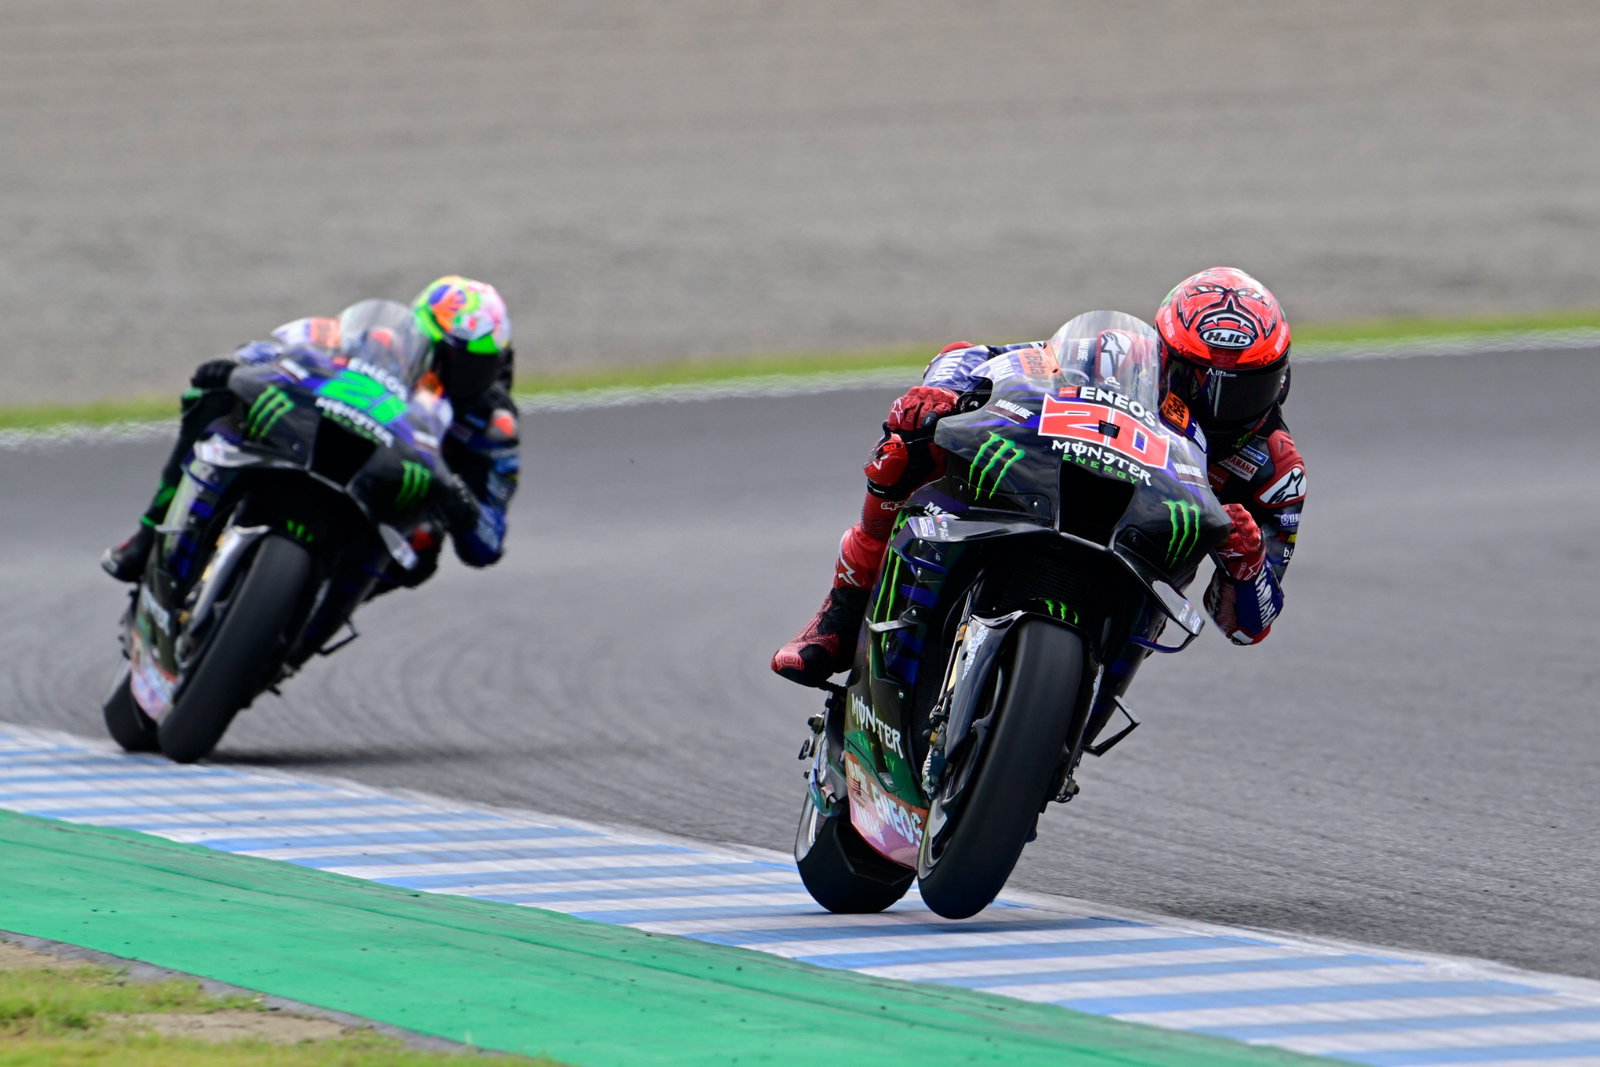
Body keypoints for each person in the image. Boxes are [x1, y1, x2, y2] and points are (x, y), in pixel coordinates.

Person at [771, 265, 1306, 687]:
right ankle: (839, 615)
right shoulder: (1118, 355)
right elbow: (980, 356)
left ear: (1278, 379)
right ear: (1165, 355)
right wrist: (946, 393)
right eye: (1197, 380)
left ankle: (1059, 720)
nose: (1216, 406)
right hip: (1046, 487)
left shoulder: (1273, 468)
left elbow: (1249, 626)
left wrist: (1247, 560)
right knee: (904, 444)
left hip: (1139, 571)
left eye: (1243, 388)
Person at [101, 276, 521, 587]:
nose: (453, 374)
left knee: (423, 547)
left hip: (395, 508)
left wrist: (463, 506)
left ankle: (309, 619)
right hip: (328, 444)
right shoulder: (378, 341)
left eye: (473, 365)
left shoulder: (493, 424)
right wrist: (249, 365)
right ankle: (149, 534)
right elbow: (301, 349)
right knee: (217, 395)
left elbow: (488, 543)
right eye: (441, 355)